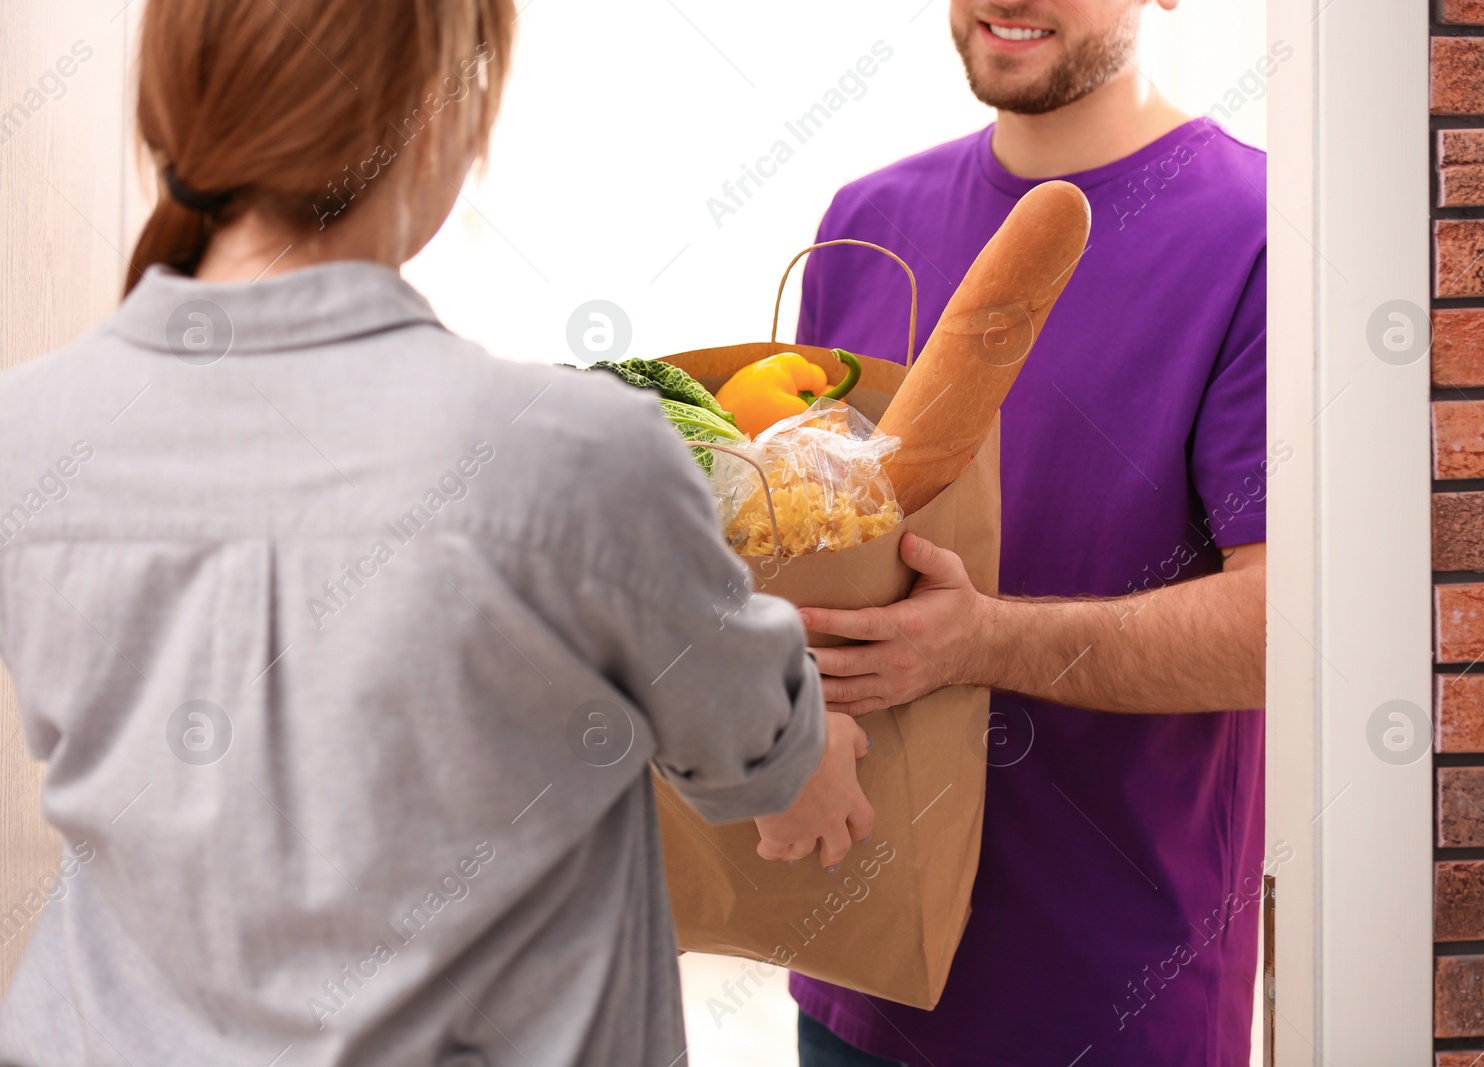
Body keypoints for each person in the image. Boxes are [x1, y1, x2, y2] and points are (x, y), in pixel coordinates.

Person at [0, 1, 872, 1063]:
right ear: (439, 119)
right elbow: (749, 744)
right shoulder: (577, 450)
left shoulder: (27, 435)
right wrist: (810, 756)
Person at [788, 1, 1269, 1064]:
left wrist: (978, 641)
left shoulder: (1260, 231)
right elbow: (794, 543)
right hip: (852, 974)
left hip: (1109, 1004)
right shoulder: (861, 223)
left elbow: (1280, 625)